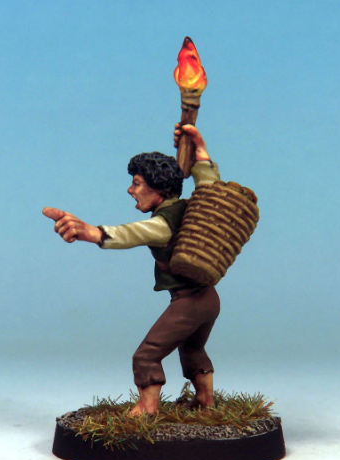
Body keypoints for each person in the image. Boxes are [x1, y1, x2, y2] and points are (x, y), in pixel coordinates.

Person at [43, 124, 221, 415]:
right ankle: (205, 401)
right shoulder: (192, 209)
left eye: (137, 183)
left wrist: (92, 232)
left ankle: (147, 409)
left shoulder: (163, 223)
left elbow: (134, 233)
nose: (130, 190)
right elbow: (210, 187)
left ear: (157, 188)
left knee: (147, 355)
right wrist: (200, 153)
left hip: (190, 301)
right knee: (192, 348)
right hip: (209, 299)